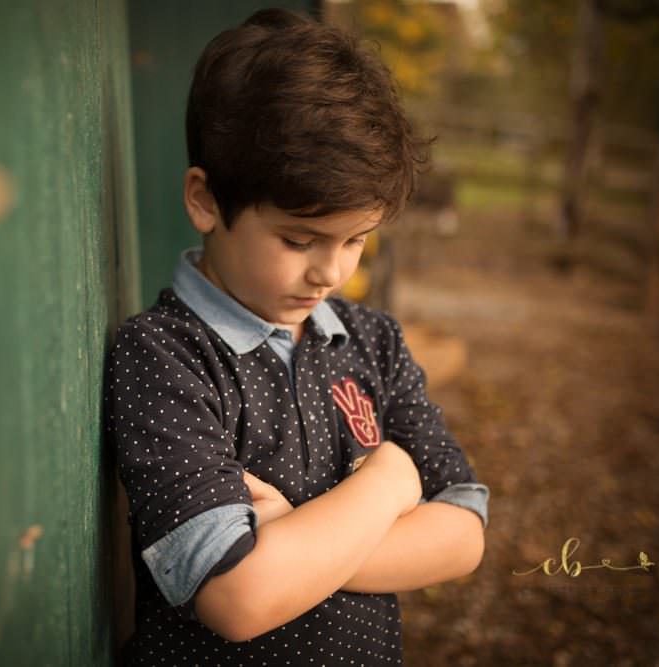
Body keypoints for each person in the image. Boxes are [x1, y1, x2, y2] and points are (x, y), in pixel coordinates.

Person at [104, 8, 490, 665]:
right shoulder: (165, 356)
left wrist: (293, 547)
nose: (332, 272)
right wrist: (390, 482)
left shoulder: (374, 342)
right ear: (205, 200)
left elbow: (463, 534)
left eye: (356, 240)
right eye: (299, 240)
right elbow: (238, 596)